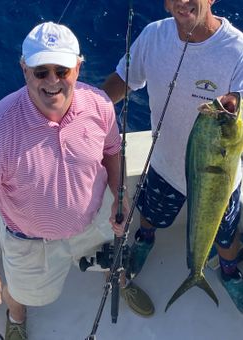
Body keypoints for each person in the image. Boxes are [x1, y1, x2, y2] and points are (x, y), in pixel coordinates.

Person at [0, 22, 154, 340]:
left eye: (62, 70)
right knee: (27, 294)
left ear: (78, 67)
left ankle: (120, 280)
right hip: (32, 243)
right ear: (24, 69)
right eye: (41, 72)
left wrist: (119, 196)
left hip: (97, 215)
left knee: (113, 256)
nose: (52, 82)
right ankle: (17, 317)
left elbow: (113, 151)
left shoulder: (100, 105)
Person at [102, 0, 243, 313]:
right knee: (150, 215)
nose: (182, 1)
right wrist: (86, 112)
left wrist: (234, 102)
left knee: (225, 236)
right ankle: (145, 239)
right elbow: (124, 80)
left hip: (221, 181)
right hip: (165, 167)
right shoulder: (154, 36)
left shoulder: (238, 49)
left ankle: (229, 270)